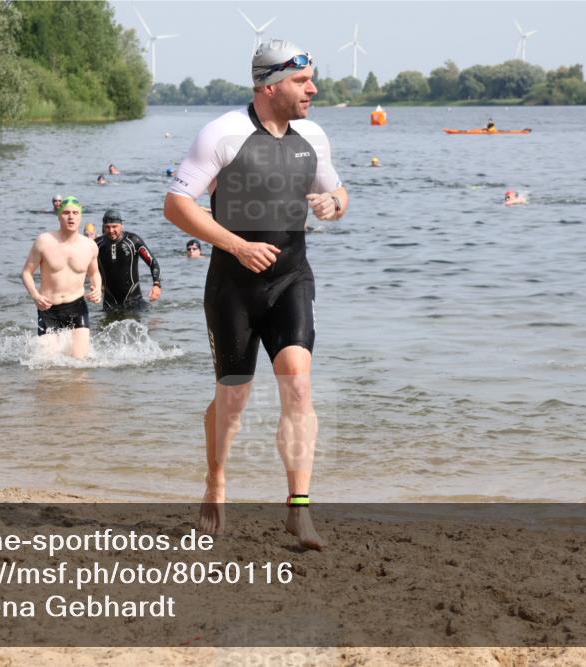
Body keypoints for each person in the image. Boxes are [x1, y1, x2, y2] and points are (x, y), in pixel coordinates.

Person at [163, 39, 347, 550]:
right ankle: (216, 483)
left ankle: (299, 510)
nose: (313, 89)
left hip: (292, 277)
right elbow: (177, 205)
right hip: (233, 284)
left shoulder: (313, 136)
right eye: (302, 81)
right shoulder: (222, 133)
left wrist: (333, 204)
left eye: (311, 79)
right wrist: (238, 246)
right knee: (235, 397)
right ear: (270, 85)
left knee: (299, 388)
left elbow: (340, 191)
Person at [20, 197, 102, 358]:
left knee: (79, 363)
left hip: (77, 307)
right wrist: (35, 296)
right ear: (58, 215)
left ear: (80, 217)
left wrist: (97, 288)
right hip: (48, 308)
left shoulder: (90, 246)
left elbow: (94, 273)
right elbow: (26, 273)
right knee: (48, 365)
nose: (71, 217)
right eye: (66, 213)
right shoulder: (44, 241)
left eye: (75, 213)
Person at [95, 209, 161, 316]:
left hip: (134, 302)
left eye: (114, 226)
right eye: (107, 227)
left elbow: (152, 262)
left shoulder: (133, 241)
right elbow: (85, 268)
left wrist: (156, 284)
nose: (111, 230)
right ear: (103, 227)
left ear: (122, 225)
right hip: (110, 304)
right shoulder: (97, 244)